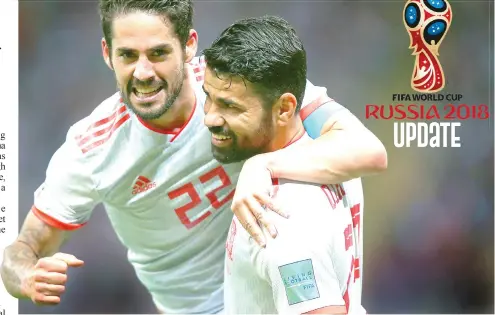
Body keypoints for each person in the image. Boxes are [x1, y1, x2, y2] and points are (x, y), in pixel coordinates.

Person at [1, 1, 384, 313]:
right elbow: (20, 251)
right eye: (128, 55)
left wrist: (261, 165)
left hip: (278, 276)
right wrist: (26, 277)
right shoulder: (90, 151)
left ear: (189, 46)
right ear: (107, 54)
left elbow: (367, 151)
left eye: (159, 53)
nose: (144, 72)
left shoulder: (237, 85)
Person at [202, 16, 366, 314]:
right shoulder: (330, 153)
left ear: (285, 108)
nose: (210, 118)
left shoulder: (279, 220)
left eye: (230, 106)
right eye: (208, 98)